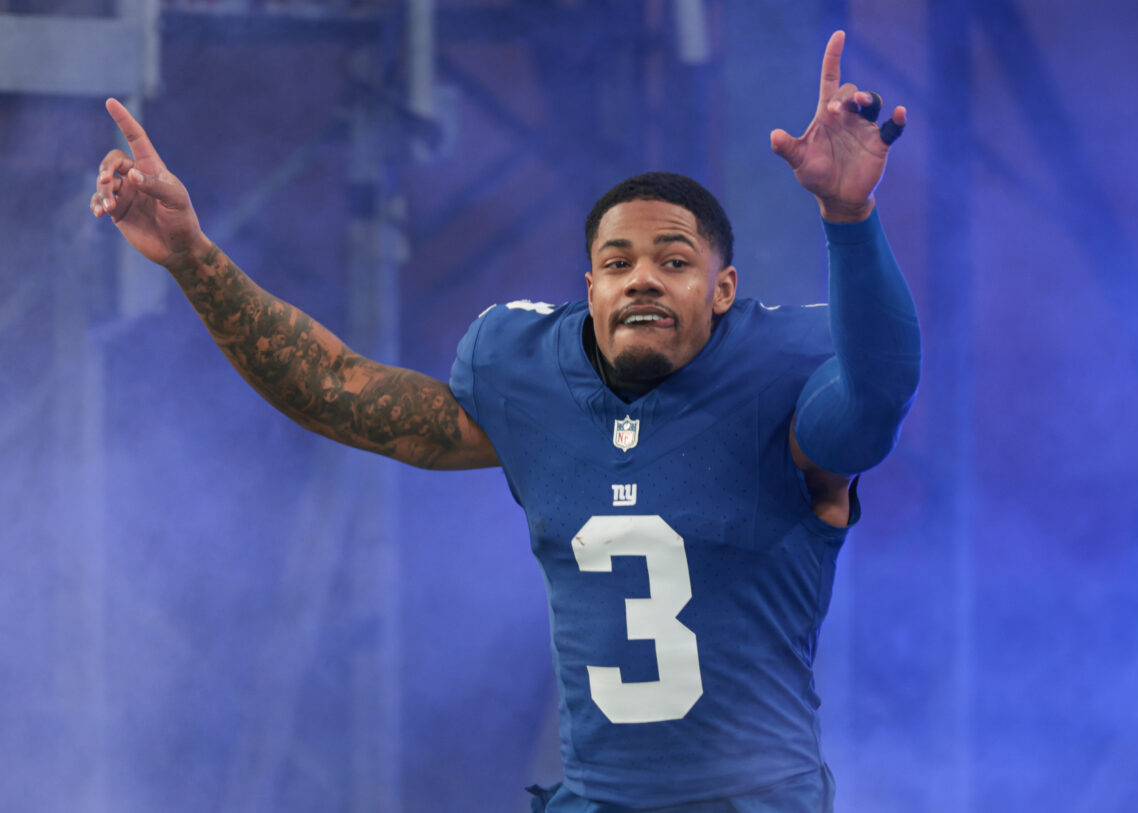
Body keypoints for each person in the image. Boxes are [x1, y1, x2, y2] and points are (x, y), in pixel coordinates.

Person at [90, 29, 919, 813]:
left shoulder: (776, 382)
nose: (642, 280)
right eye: (617, 263)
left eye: (674, 262)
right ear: (586, 288)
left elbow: (873, 404)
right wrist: (195, 259)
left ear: (724, 290)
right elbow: (335, 387)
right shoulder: (530, 378)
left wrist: (849, 220)